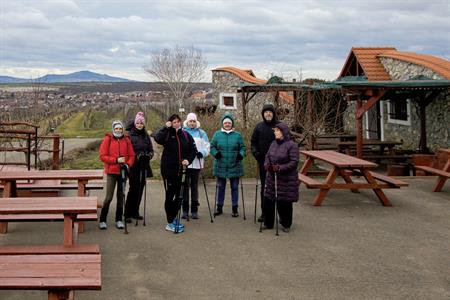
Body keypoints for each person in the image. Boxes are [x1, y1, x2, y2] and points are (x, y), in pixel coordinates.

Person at [154, 114, 197, 233]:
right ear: (170, 123)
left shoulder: (186, 135)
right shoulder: (167, 134)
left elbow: (193, 150)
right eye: (174, 122)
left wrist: (188, 160)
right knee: (169, 196)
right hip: (169, 171)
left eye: (178, 121)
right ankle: (169, 222)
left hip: (182, 171)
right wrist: (165, 128)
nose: (176, 124)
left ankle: (173, 218)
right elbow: (158, 138)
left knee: (180, 196)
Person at [99, 120, 135, 230]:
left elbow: (131, 155)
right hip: (111, 172)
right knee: (109, 197)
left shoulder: (127, 139)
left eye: (120, 129)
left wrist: (127, 164)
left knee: (121, 196)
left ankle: (118, 219)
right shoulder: (108, 139)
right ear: (113, 129)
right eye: (116, 129)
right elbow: (102, 156)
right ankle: (103, 219)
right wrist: (116, 160)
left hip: (123, 172)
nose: (118, 130)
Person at [263, 122, 299, 232]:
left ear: (283, 132)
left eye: (277, 131)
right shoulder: (273, 143)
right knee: (268, 200)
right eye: (275, 131)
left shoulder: (292, 145)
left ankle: (286, 223)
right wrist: (267, 165)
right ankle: (268, 223)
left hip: (286, 179)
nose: (275, 133)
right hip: (272, 178)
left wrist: (280, 168)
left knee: (284, 202)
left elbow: (294, 162)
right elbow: (267, 156)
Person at [210, 112, 246, 217]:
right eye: (225, 123)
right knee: (221, 187)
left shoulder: (237, 135)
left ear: (232, 124)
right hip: (220, 165)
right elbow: (212, 146)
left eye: (229, 123)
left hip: (235, 165)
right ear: (222, 124)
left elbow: (243, 148)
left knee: (234, 187)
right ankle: (219, 207)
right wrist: (215, 153)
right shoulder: (217, 134)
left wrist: (241, 154)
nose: (227, 124)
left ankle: (235, 208)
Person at [251, 103, 279, 222]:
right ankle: (265, 213)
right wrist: (256, 153)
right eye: (266, 112)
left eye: (270, 112)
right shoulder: (259, 127)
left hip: (277, 163)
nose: (268, 114)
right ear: (263, 114)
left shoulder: (279, 127)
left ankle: (280, 213)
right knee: (265, 187)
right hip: (263, 161)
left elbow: (286, 142)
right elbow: (253, 143)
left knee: (278, 188)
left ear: (273, 114)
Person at [124, 112, 154, 223]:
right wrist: (137, 156)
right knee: (133, 189)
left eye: (141, 123)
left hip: (144, 165)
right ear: (135, 123)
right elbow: (127, 151)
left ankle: (135, 212)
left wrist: (149, 155)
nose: (140, 125)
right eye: (138, 123)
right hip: (134, 166)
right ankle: (127, 213)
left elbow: (151, 149)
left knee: (140, 189)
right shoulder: (130, 135)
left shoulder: (146, 135)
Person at [182, 112, 210, 220]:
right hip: (186, 164)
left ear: (196, 122)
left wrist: (202, 153)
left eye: (194, 121)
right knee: (185, 187)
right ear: (187, 122)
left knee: (194, 187)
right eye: (190, 121)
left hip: (197, 164)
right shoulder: (183, 132)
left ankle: (194, 210)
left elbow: (207, 146)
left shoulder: (201, 133)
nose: (192, 123)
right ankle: (185, 210)